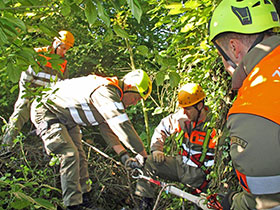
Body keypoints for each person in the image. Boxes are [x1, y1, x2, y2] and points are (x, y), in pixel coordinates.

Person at [29, 69, 152, 210]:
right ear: (129, 87)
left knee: (80, 156)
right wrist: (143, 155)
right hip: (47, 111)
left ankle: (84, 199)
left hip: (68, 119)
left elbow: (108, 128)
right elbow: (122, 125)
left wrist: (124, 156)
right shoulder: (106, 92)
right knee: (69, 154)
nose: (135, 103)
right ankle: (72, 205)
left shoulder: (111, 95)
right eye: (136, 98)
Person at [209, 0, 280, 209]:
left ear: (233, 48)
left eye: (221, 56)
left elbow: (266, 203)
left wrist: (232, 202)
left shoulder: (252, 109)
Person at [134, 83, 217, 209]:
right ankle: (145, 205)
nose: (184, 112)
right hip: (180, 166)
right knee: (149, 162)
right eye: (183, 108)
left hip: (200, 177)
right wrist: (156, 149)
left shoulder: (214, 125)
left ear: (200, 105)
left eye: (188, 108)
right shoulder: (183, 118)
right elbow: (162, 128)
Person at [0, 30, 75, 156]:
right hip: (30, 91)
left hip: (46, 97)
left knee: (52, 121)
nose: (64, 52)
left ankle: (49, 154)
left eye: (67, 49)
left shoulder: (62, 63)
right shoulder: (39, 55)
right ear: (56, 43)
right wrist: (28, 95)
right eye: (63, 48)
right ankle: (5, 149)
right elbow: (25, 78)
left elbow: (62, 84)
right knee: (20, 113)